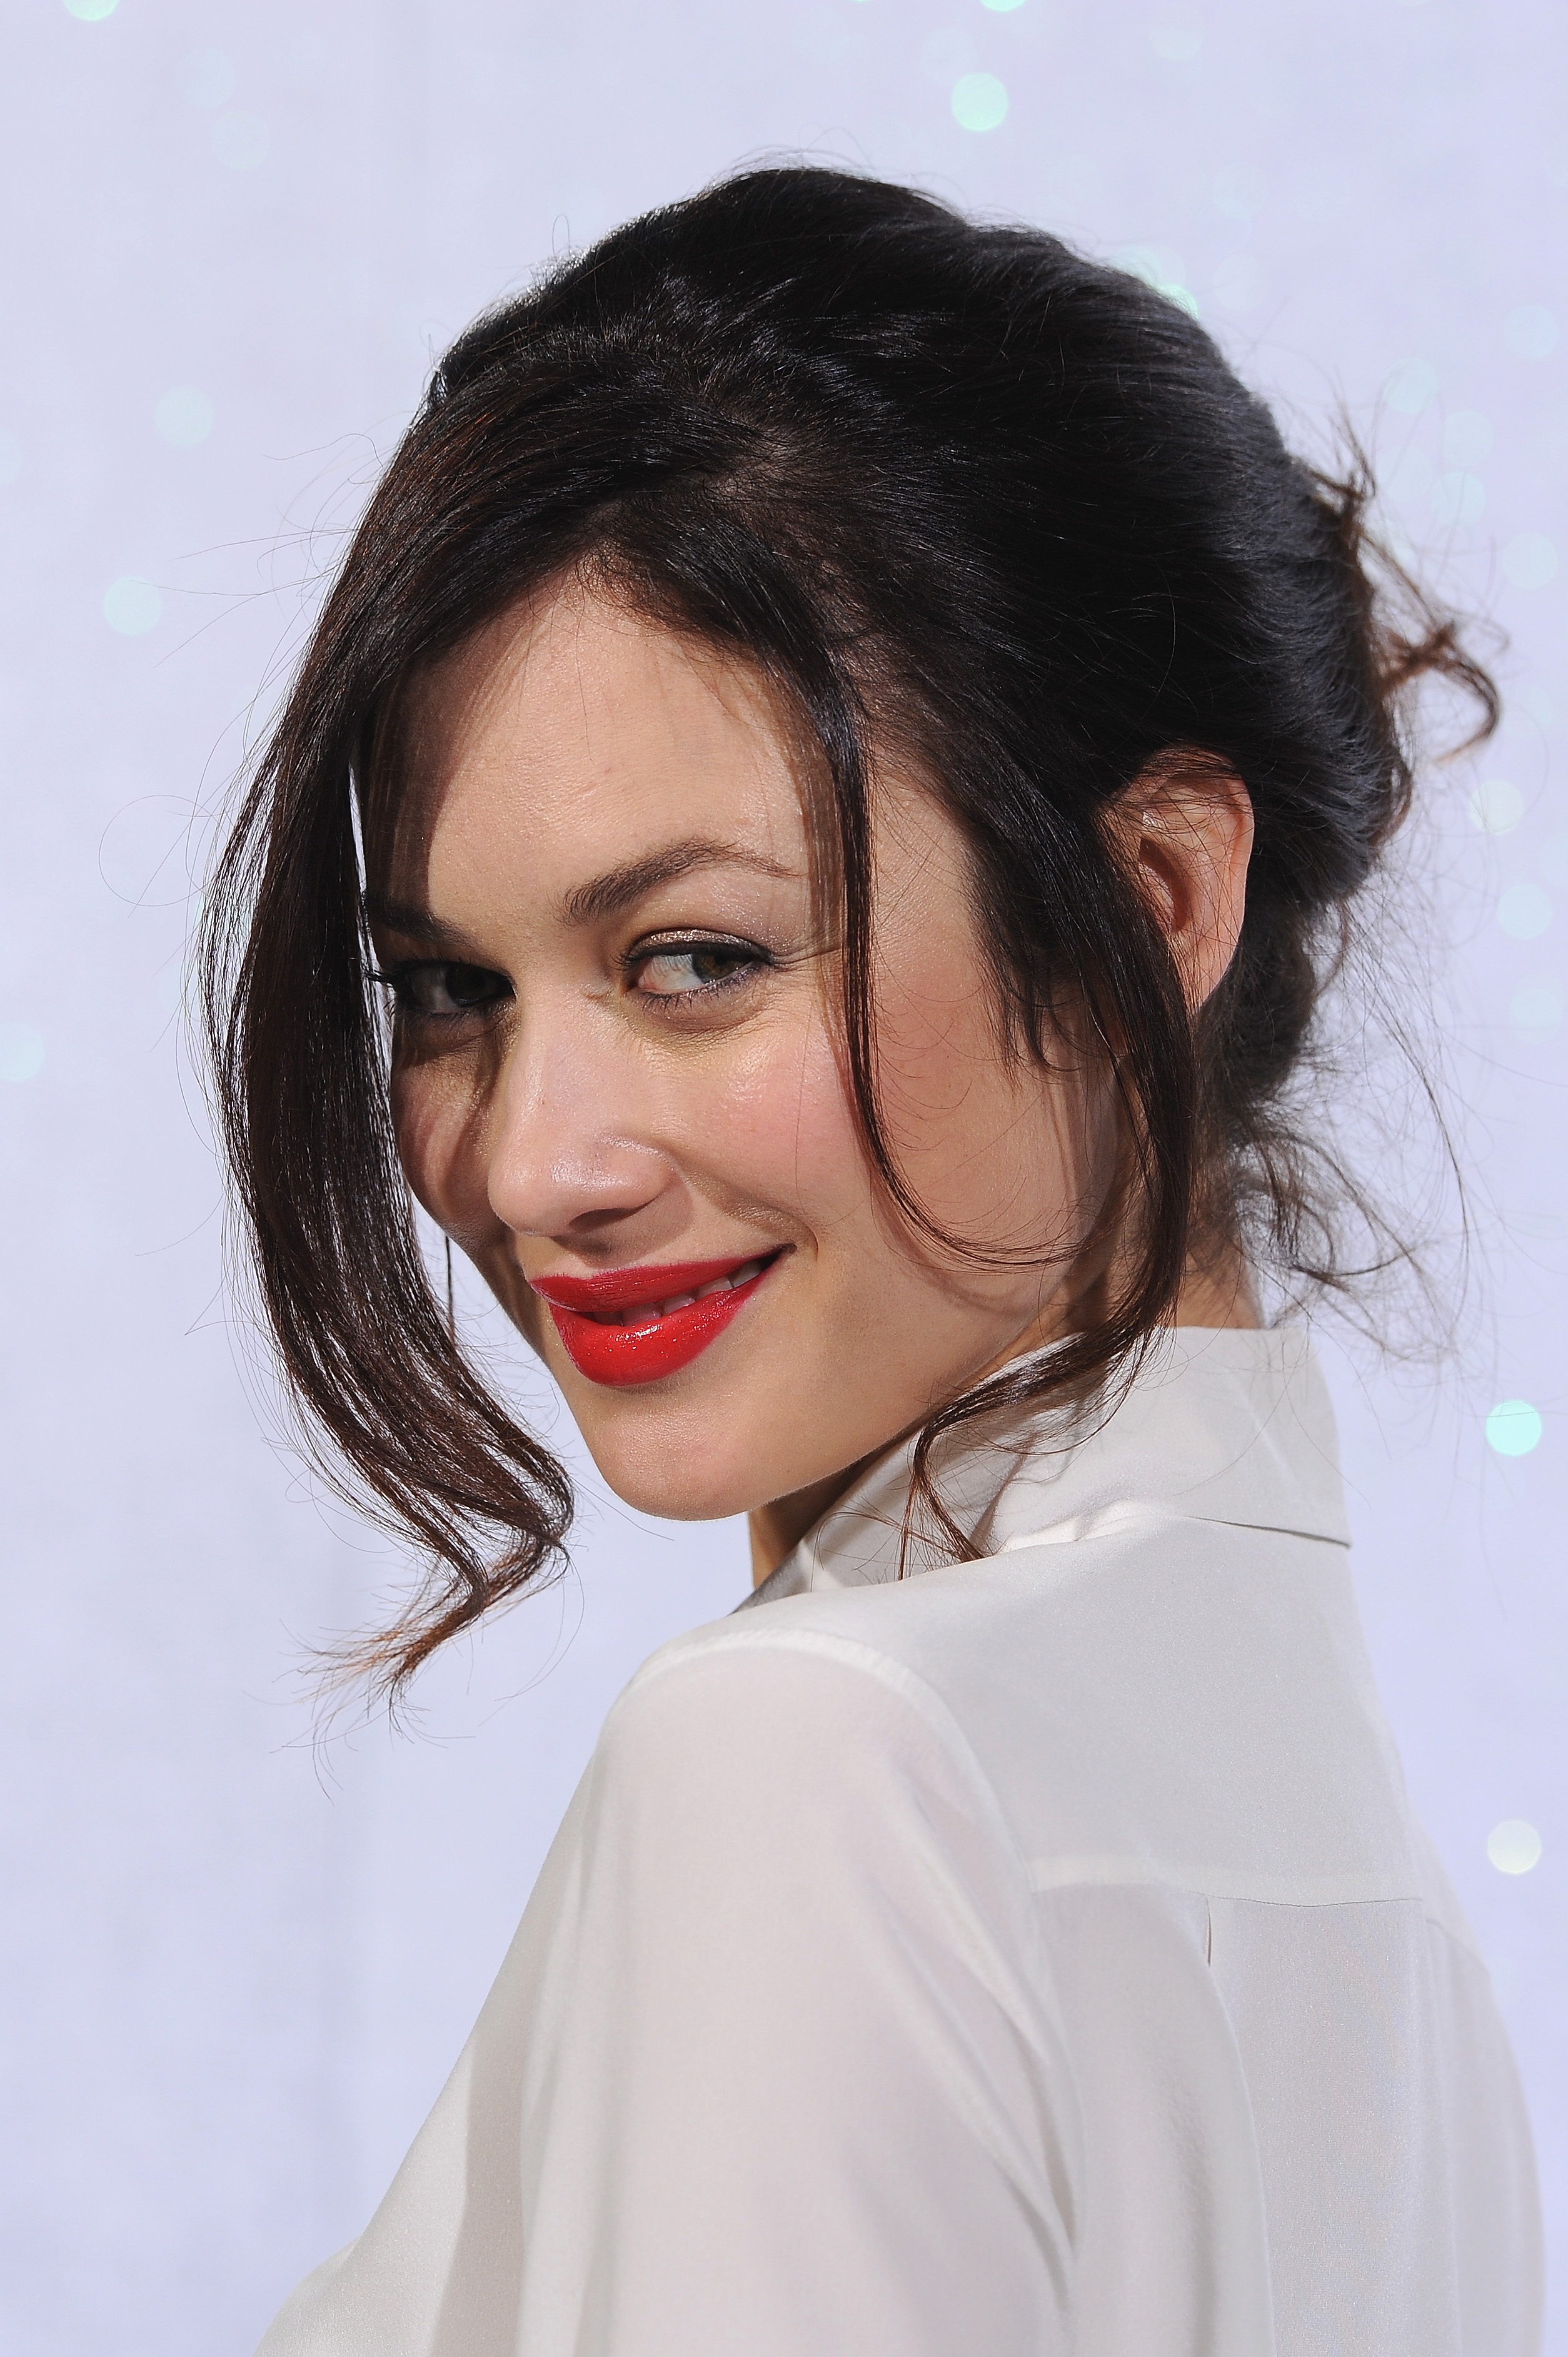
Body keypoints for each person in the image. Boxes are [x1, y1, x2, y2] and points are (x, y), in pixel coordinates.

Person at [209, 167, 1541, 2354]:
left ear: (1151, 902)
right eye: (448, 990)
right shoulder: (1388, 1946)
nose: (532, 1162)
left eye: (695, 958)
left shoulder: (817, 1763)